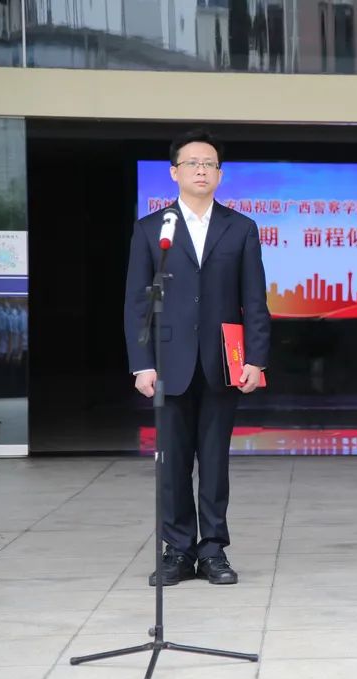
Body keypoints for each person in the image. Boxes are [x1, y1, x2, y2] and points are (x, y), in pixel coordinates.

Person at [124, 129, 270, 587]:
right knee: (171, 463)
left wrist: (256, 359)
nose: (201, 170)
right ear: (174, 173)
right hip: (169, 363)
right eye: (192, 163)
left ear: (220, 174)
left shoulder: (241, 228)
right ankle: (177, 550)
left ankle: (213, 551)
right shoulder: (152, 229)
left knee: (214, 462)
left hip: (222, 364)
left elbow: (255, 300)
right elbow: (137, 301)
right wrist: (141, 362)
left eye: (209, 164)